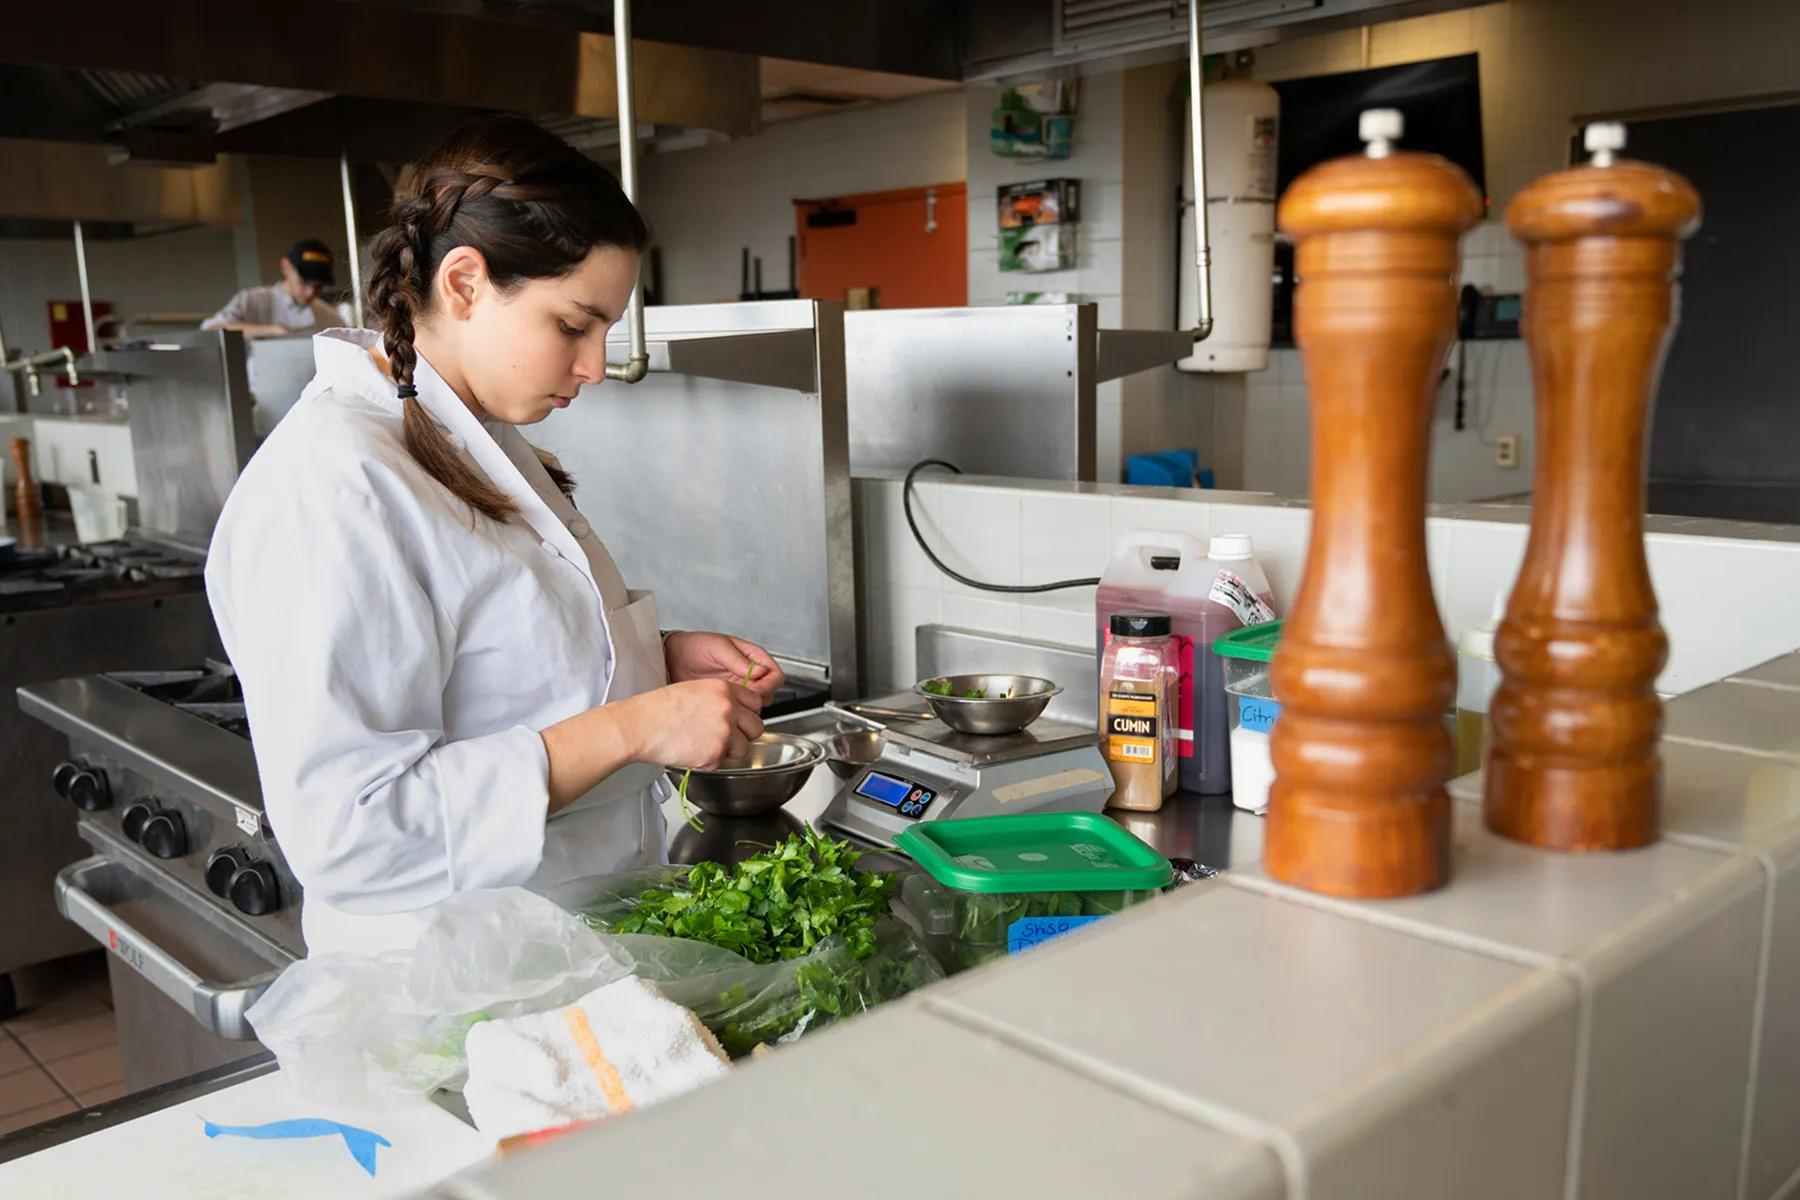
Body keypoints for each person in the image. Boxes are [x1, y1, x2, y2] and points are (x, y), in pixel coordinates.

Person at [205, 117, 779, 958]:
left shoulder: (466, 433)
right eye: (574, 325)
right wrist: (635, 726)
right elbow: (355, 830)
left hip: (556, 955)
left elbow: (489, 656)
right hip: (453, 987)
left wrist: (656, 657)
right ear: (466, 283)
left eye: (606, 331)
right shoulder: (334, 483)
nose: (593, 365)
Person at [201, 238, 343, 338]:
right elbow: (210, 330)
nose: (310, 293)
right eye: (303, 283)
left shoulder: (328, 316)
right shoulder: (252, 301)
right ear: (285, 267)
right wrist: (272, 330)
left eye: (318, 287)